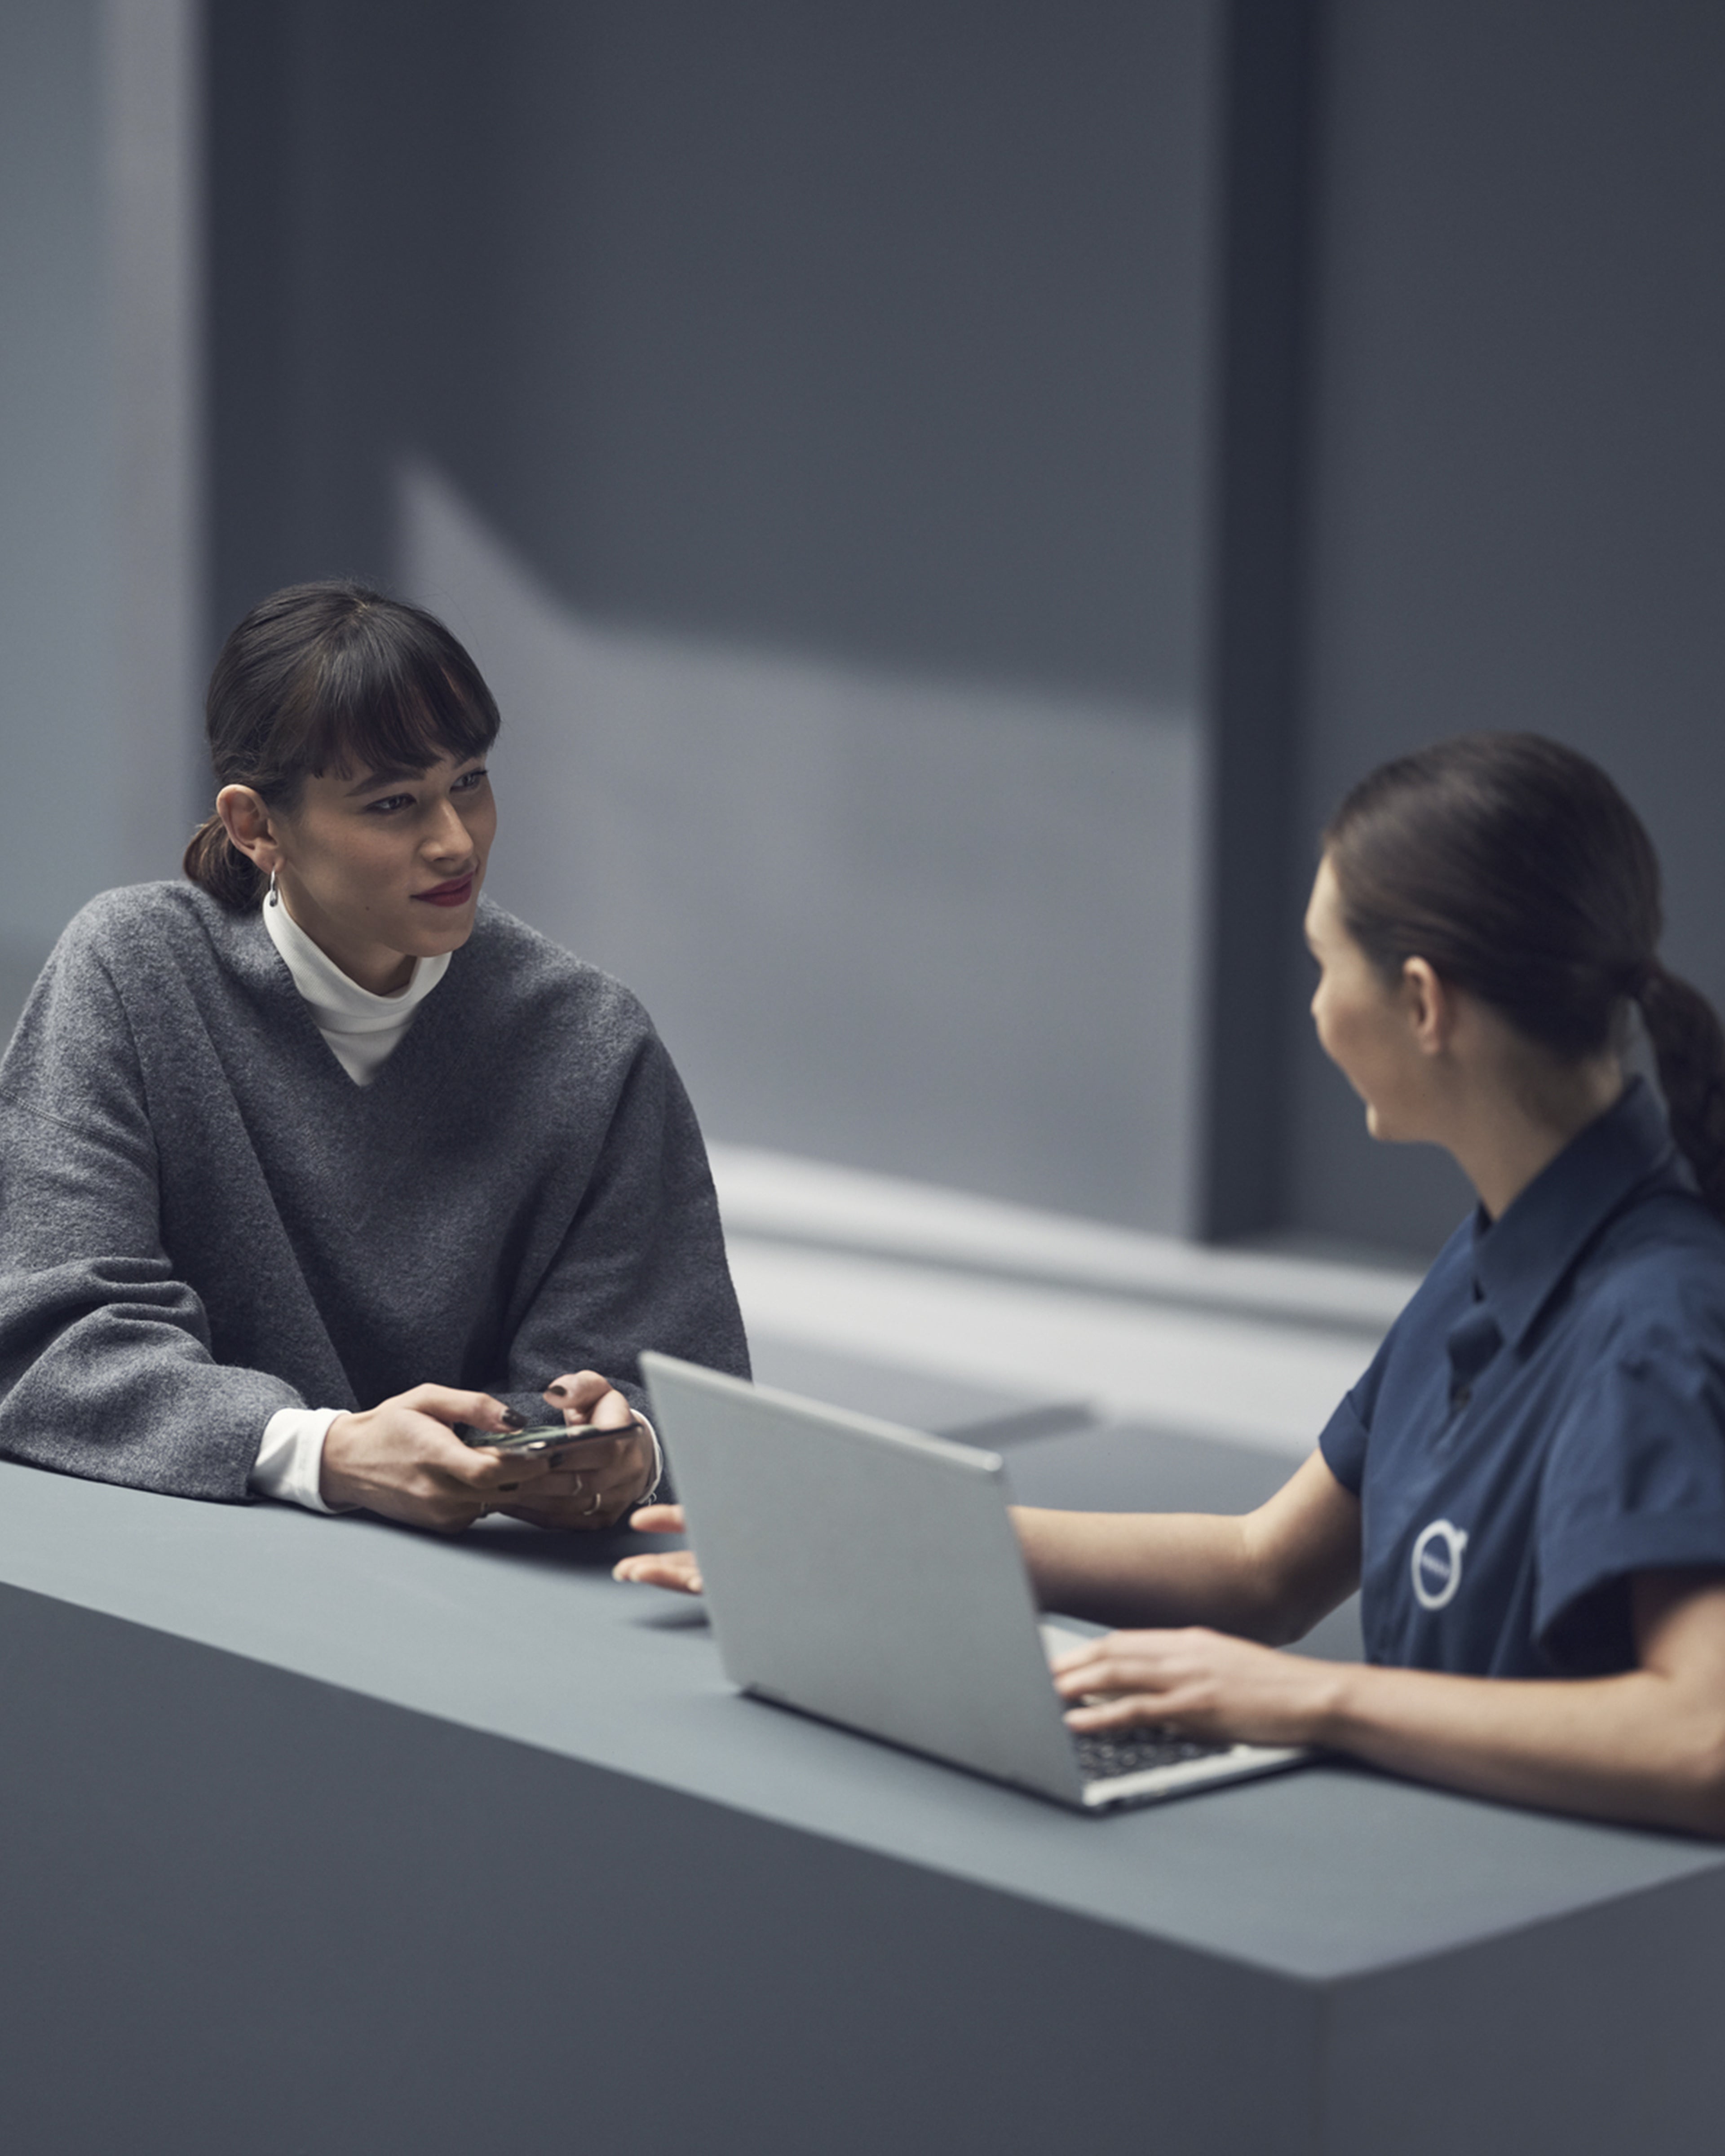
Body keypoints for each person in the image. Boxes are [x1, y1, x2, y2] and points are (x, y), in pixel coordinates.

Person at [618, 734, 1725, 1838]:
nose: (1315, 1009)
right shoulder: (1501, 1245)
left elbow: (1703, 1739)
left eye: (1324, 964)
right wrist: (871, 1547)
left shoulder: (1656, 1320)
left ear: (1424, 1002)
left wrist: (1321, 1701)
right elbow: (1263, 1568)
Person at [0, 580, 748, 1531]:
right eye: (394, 803)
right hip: (178, 1563)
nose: (456, 842)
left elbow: (675, 1392)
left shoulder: (592, 1041)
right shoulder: (133, 971)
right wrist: (328, 1453)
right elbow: (48, 1337)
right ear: (256, 826)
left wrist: (631, 1447)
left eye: (469, 781)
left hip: (482, 1587)